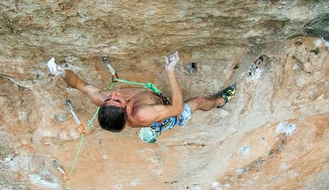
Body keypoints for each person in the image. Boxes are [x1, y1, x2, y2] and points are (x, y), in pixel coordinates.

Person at [47, 52, 236, 142]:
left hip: (154, 102)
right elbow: (177, 108)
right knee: (198, 102)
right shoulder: (143, 114)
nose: (114, 93)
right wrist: (170, 71)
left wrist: (62, 72)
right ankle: (220, 101)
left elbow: (79, 84)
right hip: (165, 117)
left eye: (109, 99)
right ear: (128, 109)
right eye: (117, 99)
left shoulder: (104, 100)